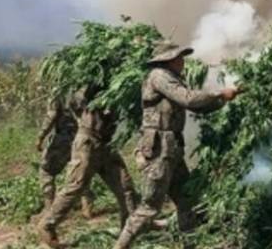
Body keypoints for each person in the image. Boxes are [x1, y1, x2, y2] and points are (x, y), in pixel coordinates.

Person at [113, 41, 240, 249]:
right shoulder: (159, 75)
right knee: (150, 207)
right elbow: (188, 99)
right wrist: (219, 93)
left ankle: (189, 244)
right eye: (179, 58)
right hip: (158, 150)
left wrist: (224, 100)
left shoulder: (172, 78)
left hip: (171, 149)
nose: (182, 62)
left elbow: (197, 107)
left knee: (186, 200)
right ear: (167, 60)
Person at [38, 84, 139, 248]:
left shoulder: (119, 83)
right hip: (88, 144)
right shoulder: (89, 83)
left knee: (125, 187)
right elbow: (74, 103)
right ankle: (47, 226)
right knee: (75, 187)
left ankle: (130, 230)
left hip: (106, 144)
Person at [36, 88, 95, 219]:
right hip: (83, 137)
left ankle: (49, 208)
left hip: (64, 139)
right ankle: (87, 205)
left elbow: (51, 116)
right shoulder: (85, 90)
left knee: (46, 170)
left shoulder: (60, 91)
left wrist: (40, 137)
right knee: (80, 172)